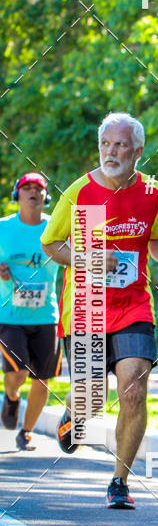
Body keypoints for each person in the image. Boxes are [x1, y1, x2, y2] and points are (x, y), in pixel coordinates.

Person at [41, 112, 158, 509]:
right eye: (106, 144)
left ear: (138, 151)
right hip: (87, 307)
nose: (112, 151)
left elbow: (156, 237)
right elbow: (51, 245)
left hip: (133, 304)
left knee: (133, 388)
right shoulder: (80, 193)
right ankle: (75, 410)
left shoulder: (153, 193)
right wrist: (90, 259)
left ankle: (119, 481)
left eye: (120, 144)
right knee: (91, 397)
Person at [0, 173, 61, 451]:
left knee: (42, 379)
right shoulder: (3, 228)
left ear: (46, 196)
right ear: (17, 194)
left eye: (39, 188)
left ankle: (25, 432)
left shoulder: (56, 227)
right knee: (17, 372)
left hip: (46, 317)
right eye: (27, 188)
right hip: (9, 317)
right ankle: (11, 397)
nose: (33, 192)